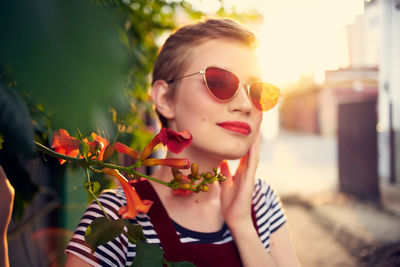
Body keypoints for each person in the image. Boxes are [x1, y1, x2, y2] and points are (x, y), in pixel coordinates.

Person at [65, 18, 299, 267]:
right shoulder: (112, 216)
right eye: (219, 82)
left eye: (258, 92)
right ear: (165, 98)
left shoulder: (261, 200)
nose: (245, 105)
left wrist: (242, 225)